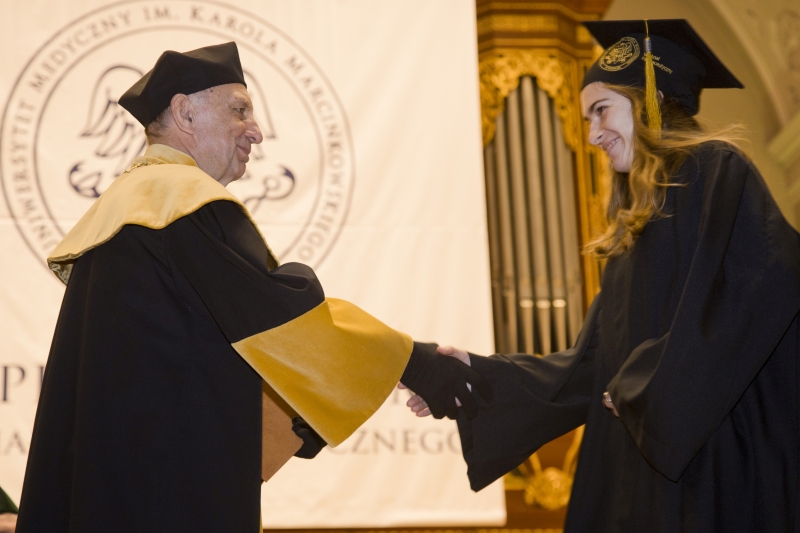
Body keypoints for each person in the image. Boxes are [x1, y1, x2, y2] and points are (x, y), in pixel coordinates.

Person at [15, 42, 490, 532]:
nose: (257, 132)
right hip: (168, 499)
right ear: (185, 113)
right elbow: (282, 322)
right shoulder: (179, 200)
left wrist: (301, 418)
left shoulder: (129, 207)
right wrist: (420, 365)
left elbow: (200, 354)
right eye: (239, 111)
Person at [405, 20, 800, 532]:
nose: (591, 134)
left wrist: (643, 383)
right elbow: (592, 367)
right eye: (587, 117)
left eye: (601, 110)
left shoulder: (715, 171)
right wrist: (472, 373)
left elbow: (761, 290)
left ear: (651, 102)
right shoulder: (635, 230)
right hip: (635, 465)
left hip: (707, 461)